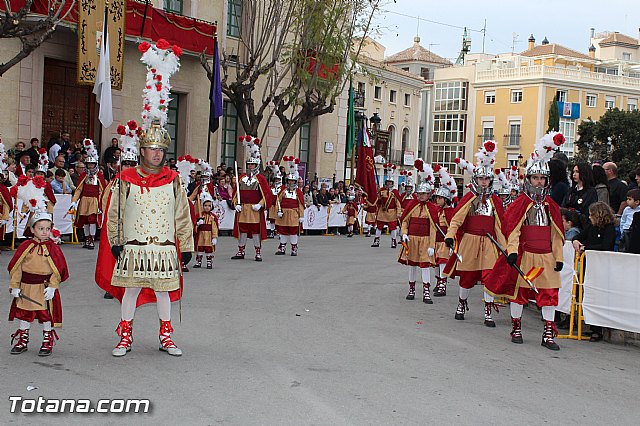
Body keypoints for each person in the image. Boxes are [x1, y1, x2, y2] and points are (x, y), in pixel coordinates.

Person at [487, 132, 567, 351]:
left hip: (547, 257)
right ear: (528, 180)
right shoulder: (520, 203)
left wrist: (558, 258)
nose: (539, 182)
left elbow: (557, 235)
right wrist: (512, 251)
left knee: (549, 294)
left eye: (542, 178)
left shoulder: (552, 205)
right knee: (520, 294)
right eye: (535, 178)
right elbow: (513, 231)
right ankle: (516, 327)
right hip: (526, 255)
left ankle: (548, 333)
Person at [443, 141, 506, 327]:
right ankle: (461, 304)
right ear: (475, 180)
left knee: (489, 276)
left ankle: (488, 311)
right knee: (468, 277)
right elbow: (456, 220)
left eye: (487, 179)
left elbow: (499, 226)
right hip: (470, 241)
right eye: (481, 179)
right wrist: (450, 235)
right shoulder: (469, 198)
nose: (484, 182)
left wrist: (504, 247)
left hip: (489, 243)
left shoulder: (495, 200)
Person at [9, 179, 68, 356]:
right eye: (40, 228)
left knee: (45, 315)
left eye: (47, 228)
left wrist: (53, 286)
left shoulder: (53, 248)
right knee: (24, 313)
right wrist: (14, 286)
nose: (44, 232)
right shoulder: (25, 247)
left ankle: (47, 339)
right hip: (26, 286)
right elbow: (16, 267)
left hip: (44, 288)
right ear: (32, 229)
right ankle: (23, 338)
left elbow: (57, 269)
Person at [572, 202, 616, 342]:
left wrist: (586, 248)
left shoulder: (609, 228)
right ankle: (587, 325)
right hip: (588, 266)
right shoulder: (591, 227)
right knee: (587, 294)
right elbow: (579, 236)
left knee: (598, 296)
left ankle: (597, 329)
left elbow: (606, 246)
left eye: (592, 215)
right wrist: (576, 241)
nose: (589, 217)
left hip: (602, 268)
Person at [398, 161, 439, 304]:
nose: (421, 196)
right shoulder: (412, 205)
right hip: (412, 239)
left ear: (429, 194)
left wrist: (432, 246)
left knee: (425, 266)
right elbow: (405, 221)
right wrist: (404, 233)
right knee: (412, 265)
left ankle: (426, 293)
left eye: (424, 194)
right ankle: (411, 290)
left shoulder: (433, 208)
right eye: (419, 193)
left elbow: (434, 228)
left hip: (426, 240)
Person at [231, 135, 272, 261]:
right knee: (242, 229)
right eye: (249, 164)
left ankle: (258, 252)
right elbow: (236, 192)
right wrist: (236, 203)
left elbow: (266, 194)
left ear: (257, 165)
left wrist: (260, 204)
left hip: (254, 209)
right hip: (243, 208)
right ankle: (240, 251)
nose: (250, 167)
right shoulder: (242, 177)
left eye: (253, 165)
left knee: (255, 231)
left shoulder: (260, 179)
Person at [70, 139, 106, 249]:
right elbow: (79, 189)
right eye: (88, 164)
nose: (90, 166)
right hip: (84, 199)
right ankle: (87, 239)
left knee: (92, 220)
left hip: (94, 200)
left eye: (92, 164)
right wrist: (74, 201)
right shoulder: (84, 175)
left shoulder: (98, 175)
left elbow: (102, 190)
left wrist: (101, 203)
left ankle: (91, 239)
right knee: (84, 220)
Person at [431, 165, 458, 297]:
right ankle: (437, 283)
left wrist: (453, 242)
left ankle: (443, 285)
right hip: (435, 240)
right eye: (436, 198)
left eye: (440, 198)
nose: (437, 200)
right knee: (435, 263)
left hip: (444, 241)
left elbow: (452, 227)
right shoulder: (437, 210)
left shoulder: (450, 212)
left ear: (446, 199)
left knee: (442, 262)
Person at [275, 157, 305, 256]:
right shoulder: (283, 190)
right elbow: (278, 201)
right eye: (289, 181)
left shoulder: (298, 192)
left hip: (293, 214)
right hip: (283, 213)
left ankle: (294, 248)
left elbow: (301, 204)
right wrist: (278, 211)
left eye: (292, 181)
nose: (290, 183)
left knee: (293, 231)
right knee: (283, 231)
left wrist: (301, 216)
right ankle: (282, 247)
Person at [372, 163, 401, 248]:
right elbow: (378, 201)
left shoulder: (395, 192)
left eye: (390, 182)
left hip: (392, 213)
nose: (389, 184)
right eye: (387, 182)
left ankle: (393, 241)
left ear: (392, 183)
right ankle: (376, 240)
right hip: (382, 212)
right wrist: (378, 195)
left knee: (393, 228)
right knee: (379, 227)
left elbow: (398, 204)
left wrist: (398, 213)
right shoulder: (381, 191)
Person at [193, 194, 219, 269]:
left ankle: (209, 262)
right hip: (201, 234)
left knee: (208, 249)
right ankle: (198, 262)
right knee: (200, 248)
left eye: (209, 206)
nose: (207, 207)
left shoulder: (212, 217)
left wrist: (214, 237)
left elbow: (214, 227)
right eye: (205, 205)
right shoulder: (199, 215)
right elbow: (194, 226)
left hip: (209, 235)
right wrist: (198, 224)